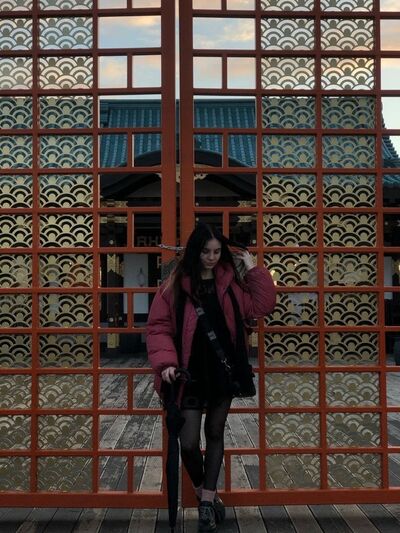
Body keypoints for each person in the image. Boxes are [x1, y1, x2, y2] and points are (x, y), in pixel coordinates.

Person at [146, 223, 276, 532]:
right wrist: (166, 363)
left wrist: (252, 268)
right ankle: (205, 490)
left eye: (217, 252)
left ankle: (206, 501)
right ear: (195, 251)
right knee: (189, 442)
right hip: (188, 372)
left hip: (222, 369)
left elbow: (262, 306)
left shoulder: (230, 282)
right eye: (206, 251)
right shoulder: (174, 285)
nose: (212, 257)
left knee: (215, 431)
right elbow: (158, 326)